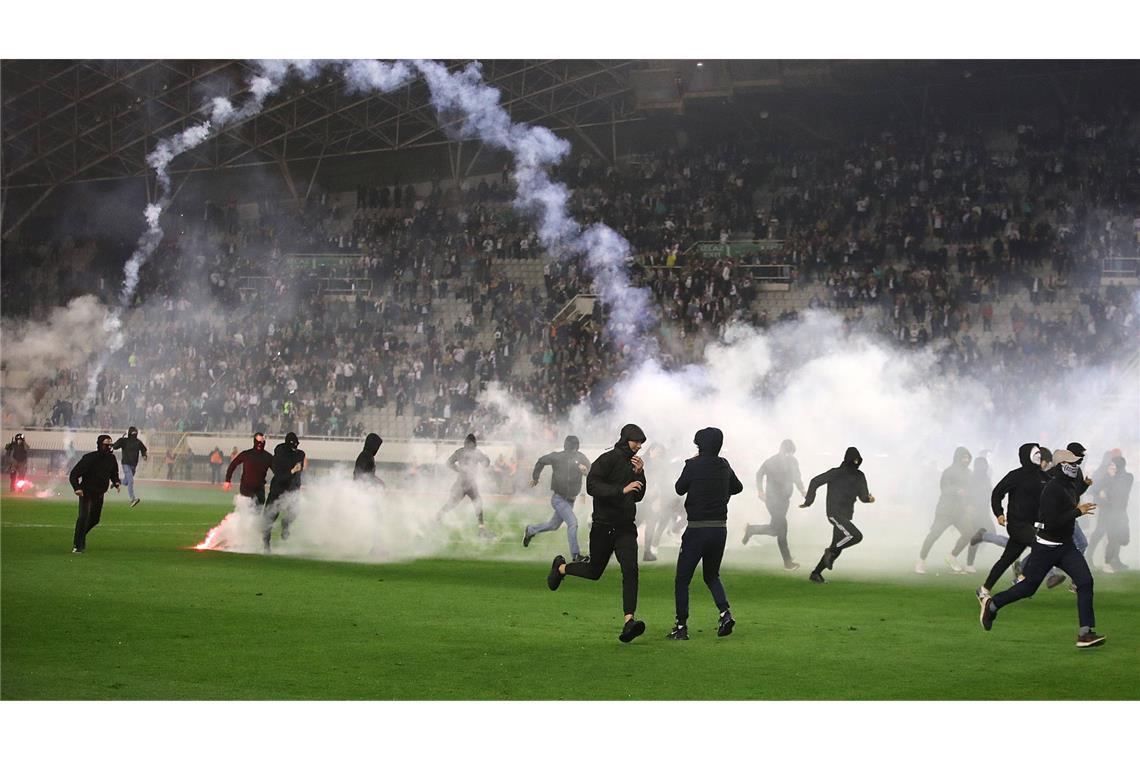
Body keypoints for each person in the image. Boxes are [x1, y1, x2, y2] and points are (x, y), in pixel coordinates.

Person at [980, 449, 1105, 648]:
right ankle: (993, 604)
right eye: (1071, 463)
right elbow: (1051, 522)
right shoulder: (1052, 488)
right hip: (1045, 547)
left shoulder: (1070, 484)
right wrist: (1077, 512)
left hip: (1065, 546)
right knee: (1027, 588)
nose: (1075, 466)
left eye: (1076, 463)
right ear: (1061, 466)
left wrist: (1082, 488)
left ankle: (1085, 633)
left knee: (1085, 582)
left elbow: (1071, 498)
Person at [546, 423, 648, 643]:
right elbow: (593, 487)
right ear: (625, 439)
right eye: (636, 441)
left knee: (631, 570)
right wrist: (621, 490)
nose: (639, 447)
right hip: (603, 526)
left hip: (625, 527)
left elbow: (638, 495)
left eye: (641, 443)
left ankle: (629, 621)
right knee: (594, 571)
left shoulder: (635, 464)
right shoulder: (607, 459)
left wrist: (640, 475)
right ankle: (561, 568)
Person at [667, 427, 742, 640]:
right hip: (720, 529)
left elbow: (679, 488)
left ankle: (681, 627)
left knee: (682, 579)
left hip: (697, 529)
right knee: (711, 575)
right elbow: (738, 487)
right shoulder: (724, 465)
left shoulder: (692, 465)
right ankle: (725, 613)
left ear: (700, 445)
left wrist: (692, 465)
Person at [979, 443, 1049, 598]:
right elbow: (997, 493)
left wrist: (1081, 486)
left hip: (1033, 525)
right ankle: (1025, 579)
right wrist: (999, 513)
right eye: (1035, 453)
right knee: (1042, 546)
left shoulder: (1044, 477)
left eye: (1039, 453)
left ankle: (984, 589)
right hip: (1017, 524)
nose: (1039, 455)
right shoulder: (1016, 475)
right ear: (1026, 456)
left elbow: (1059, 491)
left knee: (1007, 559)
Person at [799, 446, 875, 583]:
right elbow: (815, 482)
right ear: (847, 459)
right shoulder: (836, 473)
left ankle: (816, 574)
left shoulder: (860, 476)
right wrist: (809, 501)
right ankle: (830, 551)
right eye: (854, 459)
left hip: (846, 515)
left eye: (858, 460)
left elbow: (863, 496)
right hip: (834, 513)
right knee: (855, 536)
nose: (856, 462)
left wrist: (868, 499)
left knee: (837, 547)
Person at [523, 435, 590, 561]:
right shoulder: (558, 456)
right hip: (559, 499)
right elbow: (541, 460)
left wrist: (585, 471)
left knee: (553, 525)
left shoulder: (580, 457)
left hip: (570, 500)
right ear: (575, 446)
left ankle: (531, 530)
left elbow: (591, 470)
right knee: (573, 523)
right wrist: (535, 477)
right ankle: (576, 556)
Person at [742, 438, 805, 570]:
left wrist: (802, 490)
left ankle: (752, 529)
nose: (788, 455)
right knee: (782, 528)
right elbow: (759, 474)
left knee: (775, 529)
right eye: (787, 452)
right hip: (772, 499)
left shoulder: (793, 462)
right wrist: (760, 491)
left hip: (785, 500)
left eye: (790, 453)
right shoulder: (771, 461)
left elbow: (797, 477)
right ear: (782, 449)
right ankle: (787, 562)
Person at [916, 447, 975, 574]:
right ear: (957, 458)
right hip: (945, 511)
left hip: (960, 512)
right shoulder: (948, 471)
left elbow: (971, 491)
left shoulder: (969, 473)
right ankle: (921, 560)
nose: (966, 460)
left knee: (969, 533)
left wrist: (970, 504)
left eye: (968, 458)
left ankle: (952, 556)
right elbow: (944, 488)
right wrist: (957, 491)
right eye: (963, 457)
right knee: (934, 535)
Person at [68, 434, 121, 553]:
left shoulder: (111, 459)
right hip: (86, 492)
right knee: (83, 517)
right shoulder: (89, 458)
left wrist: (116, 482)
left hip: (100, 493)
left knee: (95, 519)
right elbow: (74, 474)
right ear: (99, 445)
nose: (108, 448)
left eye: (110, 445)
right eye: (105, 445)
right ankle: (77, 545)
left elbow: (114, 473)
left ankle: (81, 535)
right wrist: (77, 488)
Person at [436, 434, 492, 537]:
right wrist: (461, 470)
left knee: (475, 502)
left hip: (466, 483)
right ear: (472, 443)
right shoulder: (473, 452)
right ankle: (439, 516)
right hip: (464, 483)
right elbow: (486, 463)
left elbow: (449, 463)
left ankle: (481, 529)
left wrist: (459, 470)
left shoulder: (462, 451)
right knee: (456, 503)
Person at [1086, 455, 1131, 572]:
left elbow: (1119, 493)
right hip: (1106, 512)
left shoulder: (1127, 477)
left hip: (1120, 513)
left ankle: (1114, 560)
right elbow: (1093, 490)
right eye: (1110, 465)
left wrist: (1106, 493)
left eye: (1113, 465)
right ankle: (1102, 561)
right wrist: (1102, 496)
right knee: (1102, 534)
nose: (1111, 467)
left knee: (1123, 539)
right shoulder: (1106, 477)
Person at [964, 450, 1007, 572]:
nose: (982, 467)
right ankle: (969, 564)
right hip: (975, 512)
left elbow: (989, 491)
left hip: (984, 511)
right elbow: (968, 494)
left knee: (988, 532)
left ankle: (977, 552)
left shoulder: (986, 478)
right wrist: (969, 507)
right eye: (980, 465)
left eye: (984, 465)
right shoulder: (972, 478)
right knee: (976, 536)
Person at [264, 432, 305, 551]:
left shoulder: (299, 454)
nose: (295, 447)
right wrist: (291, 471)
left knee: (294, 512)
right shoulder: (279, 457)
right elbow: (280, 475)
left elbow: (298, 467)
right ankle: (266, 544)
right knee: (269, 517)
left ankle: (285, 524)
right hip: (278, 489)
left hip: (292, 489)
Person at [224, 432, 274, 507]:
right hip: (246, 488)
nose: (260, 444)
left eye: (262, 442)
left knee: (257, 512)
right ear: (254, 441)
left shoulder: (268, 457)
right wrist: (227, 480)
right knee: (247, 510)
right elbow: (233, 465)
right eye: (258, 441)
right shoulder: (246, 454)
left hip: (259, 489)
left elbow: (277, 471)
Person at [111, 426, 148, 507]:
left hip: (134, 465)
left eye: (136, 433)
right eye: (133, 433)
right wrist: (119, 440)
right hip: (126, 464)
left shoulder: (138, 442)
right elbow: (115, 446)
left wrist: (144, 455)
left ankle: (116, 481)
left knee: (126, 482)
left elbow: (143, 449)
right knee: (131, 481)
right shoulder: (124, 441)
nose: (135, 434)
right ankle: (133, 499)